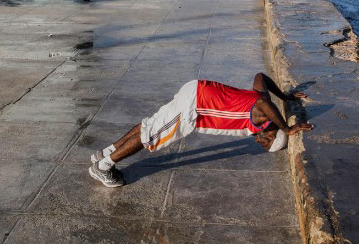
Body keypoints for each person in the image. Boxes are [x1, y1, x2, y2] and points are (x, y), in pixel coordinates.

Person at [88, 73, 312, 187]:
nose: (259, 143)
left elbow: (260, 77)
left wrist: (285, 96)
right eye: (265, 142)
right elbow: (265, 105)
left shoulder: (260, 97)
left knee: (149, 126)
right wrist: (288, 127)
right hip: (193, 107)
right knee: (150, 137)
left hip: (196, 87)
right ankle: (104, 167)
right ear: (272, 134)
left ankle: (106, 152)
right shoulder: (260, 116)